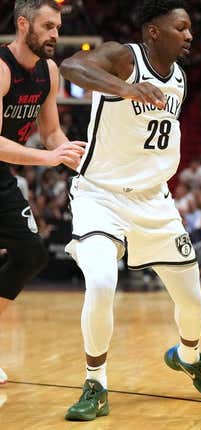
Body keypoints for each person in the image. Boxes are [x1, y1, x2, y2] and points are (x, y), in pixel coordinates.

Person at [59, 0, 201, 421]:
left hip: (154, 201)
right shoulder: (122, 57)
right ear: (154, 31)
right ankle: (95, 384)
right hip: (100, 195)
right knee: (99, 282)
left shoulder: (180, 79)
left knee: (191, 298)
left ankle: (189, 356)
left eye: (190, 29)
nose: (189, 36)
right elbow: (71, 69)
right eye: (181, 28)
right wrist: (127, 88)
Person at [0, 0, 86, 385]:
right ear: (23, 24)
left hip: (1, 173)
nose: (55, 34)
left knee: (31, 254)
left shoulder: (49, 72)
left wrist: (71, 154)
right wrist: (48, 156)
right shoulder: (1, 69)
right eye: (47, 26)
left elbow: (52, 133)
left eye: (58, 27)